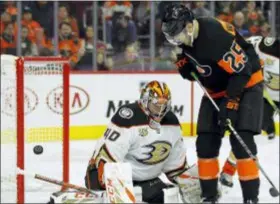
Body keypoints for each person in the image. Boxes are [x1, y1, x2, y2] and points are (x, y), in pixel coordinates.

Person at [159, 2, 263, 203]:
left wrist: (231, 102)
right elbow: (197, 67)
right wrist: (186, 67)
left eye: (176, 34)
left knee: (242, 142)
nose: (174, 40)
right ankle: (209, 196)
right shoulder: (186, 38)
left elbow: (242, 71)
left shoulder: (215, 37)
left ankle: (251, 198)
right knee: (205, 142)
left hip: (246, 84)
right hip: (216, 89)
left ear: (189, 26)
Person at [220, 36, 279, 188]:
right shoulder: (269, 47)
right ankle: (228, 170)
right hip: (263, 96)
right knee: (246, 135)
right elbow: (245, 45)